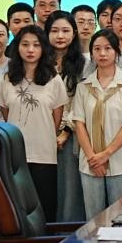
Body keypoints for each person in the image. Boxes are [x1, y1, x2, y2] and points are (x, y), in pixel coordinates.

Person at [0, 25, 69, 221]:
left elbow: (57, 116)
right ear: (17, 47)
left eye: (36, 45)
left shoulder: (54, 79)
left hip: (44, 154)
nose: (30, 50)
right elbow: (6, 113)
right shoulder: (6, 79)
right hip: (15, 153)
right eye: (25, 44)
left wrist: (46, 136)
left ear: (43, 48)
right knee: (17, 210)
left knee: (45, 209)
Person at [71, 29, 122, 217]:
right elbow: (79, 124)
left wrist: (106, 154)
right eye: (97, 49)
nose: (102, 53)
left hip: (120, 161)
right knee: (93, 217)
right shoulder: (83, 87)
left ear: (117, 52)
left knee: (121, 217)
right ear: (92, 53)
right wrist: (93, 157)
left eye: (108, 48)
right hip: (90, 162)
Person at [45, 11, 87, 222]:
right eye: (54, 31)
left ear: (74, 33)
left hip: (70, 136)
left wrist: (65, 132)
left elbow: (81, 101)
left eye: (65, 31)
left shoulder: (84, 64)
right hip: (42, 135)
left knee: (69, 192)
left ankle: (66, 235)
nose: (60, 36)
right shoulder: (39, 63)